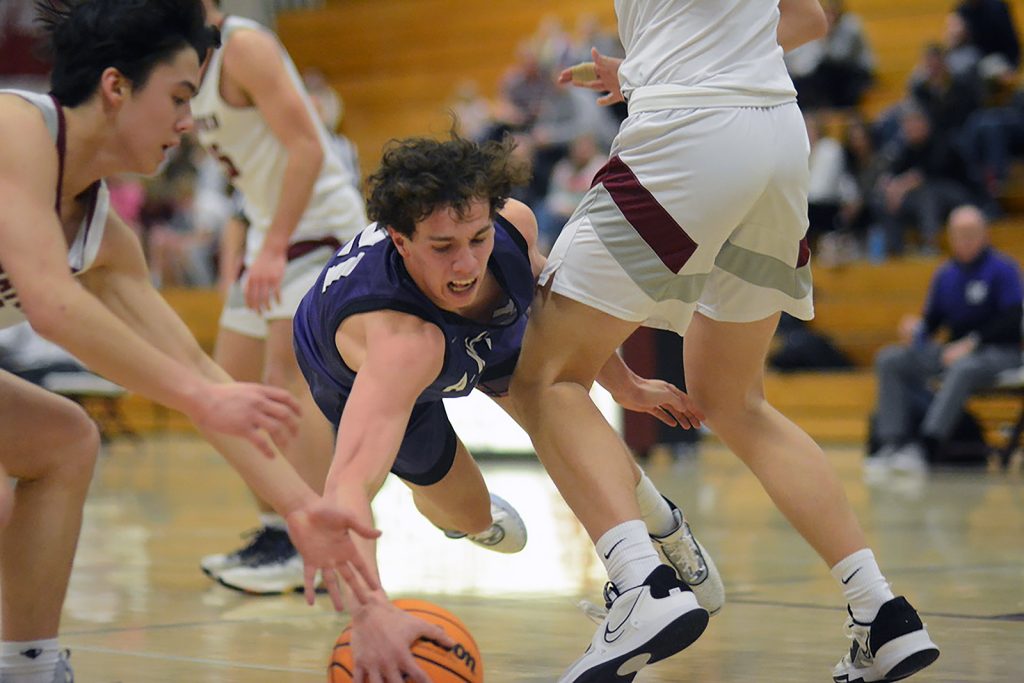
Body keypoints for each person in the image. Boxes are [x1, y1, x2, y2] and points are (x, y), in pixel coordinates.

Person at [507, 1, 940, 681]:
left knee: (543, 376)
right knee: (735, 401)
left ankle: (641, 585)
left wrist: (666, 65)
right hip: (778, 137)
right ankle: (879, 610)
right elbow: (809, 18)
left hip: (689, 129)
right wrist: (659, 60)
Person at [0, 2, 379, 682]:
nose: (188, 123)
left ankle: (28, 666)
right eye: (179, 98)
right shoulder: (16, 129)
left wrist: (300, 507)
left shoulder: (104, 239)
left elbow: (200, 372)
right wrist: (200, 397)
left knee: (64, 440)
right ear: (116, 87)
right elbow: (53, 307)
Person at [293, 133, 721, 682]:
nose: (467, 263)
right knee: (466, 513)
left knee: (554, 399)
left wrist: (625, 384)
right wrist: (370, 608)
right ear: (400, 240)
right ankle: (471, 520)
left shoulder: (513, 227)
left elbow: (557, 317)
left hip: (475, 333)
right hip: (368, 375)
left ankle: (659, 532)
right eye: (443, 247)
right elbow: (348, 489)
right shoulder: (400, 346)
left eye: (478, 238)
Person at [193, 0, 370, 595]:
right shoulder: (177, 55)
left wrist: (270, 246)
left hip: (314, 228)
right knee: (227, 390)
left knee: (284, 383)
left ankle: (311, 538)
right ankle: (278, 530)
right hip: (270, 233)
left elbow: (308, 148)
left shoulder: (243, 47)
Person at [868, 205, 1023, 474]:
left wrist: (972, 343)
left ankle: (928, 445)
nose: (965, 240)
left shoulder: (1003, 269)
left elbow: (1012, 319)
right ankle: (893, 444)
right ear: (950, 237)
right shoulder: (946, 274)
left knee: (964, 367)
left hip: (999, 353)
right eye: (959, 234)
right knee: (891, 358)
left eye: (971, 233)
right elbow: (933, 321)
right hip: (953, 350)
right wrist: (917, 329)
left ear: (984, 234)